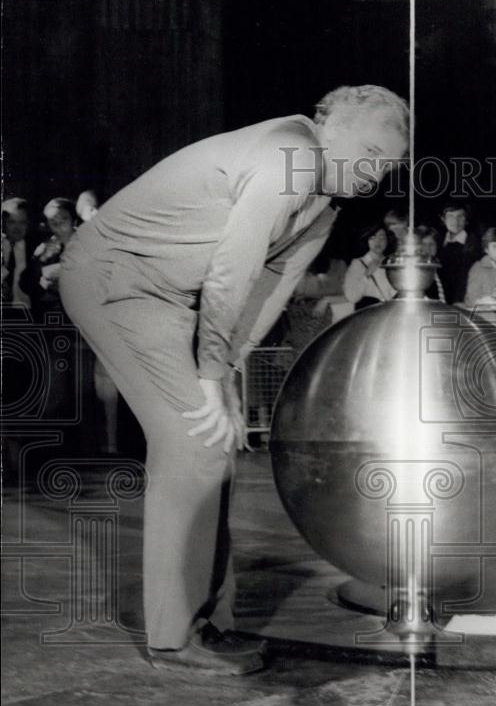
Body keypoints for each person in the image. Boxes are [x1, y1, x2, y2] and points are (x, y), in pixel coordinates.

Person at [59, 85, 408, 675]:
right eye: (370, 153)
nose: (375, 174)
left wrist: (228, 370)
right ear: (328, 125)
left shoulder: (324, 206)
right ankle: (176, 637)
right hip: (114, 279)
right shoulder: (288, 155)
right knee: (193, 442)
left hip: (173, 299)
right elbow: (233, 267)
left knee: (215, 441)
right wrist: (210, 371)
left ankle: (209, 621)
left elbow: (268, 288)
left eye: (389, 165)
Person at [343, 225, 396, 310]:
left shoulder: (391, 263)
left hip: (390, 311)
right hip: (370, 313)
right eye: (373, 237)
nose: (378, 241)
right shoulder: (358, 264)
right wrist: (367, 274)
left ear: (387, 240)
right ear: (367, 240)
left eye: (382, 237)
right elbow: (352, 297)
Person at [436, 203, 480, 304]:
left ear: (466, 220)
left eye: (460, 216)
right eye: (450, 216)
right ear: (443, 219)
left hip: (462, 302)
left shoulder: (473, 245)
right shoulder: (438, 242)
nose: (455, 221)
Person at [464, 226, 496, 307]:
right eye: (494, 246)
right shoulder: (479, 268)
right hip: (483, 313)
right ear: (486, 249)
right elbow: (471, 300)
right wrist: (488, 301)